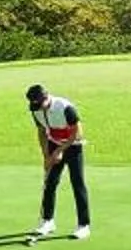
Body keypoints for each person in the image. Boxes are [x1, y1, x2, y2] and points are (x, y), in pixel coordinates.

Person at [25, 83, 89, 241]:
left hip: (74, 146)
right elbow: (41, 132)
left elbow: (78, 133)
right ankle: (48, 221)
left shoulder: (66, 108)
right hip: (53, 143)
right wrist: (46, 156)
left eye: (40, 104)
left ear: (46, 98)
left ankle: (83, 225)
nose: (38, 108)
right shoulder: (37, 111)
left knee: (77, 183)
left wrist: (59, 151)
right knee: (50, 182)